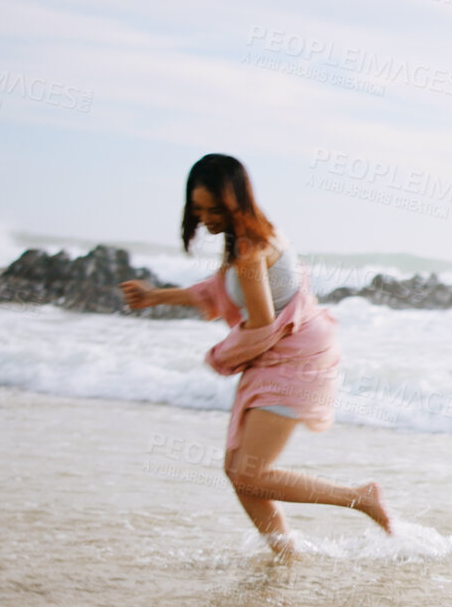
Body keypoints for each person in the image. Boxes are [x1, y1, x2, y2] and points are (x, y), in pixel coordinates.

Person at [122, 154, 391, 554]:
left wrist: (218, 357)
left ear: (235, 201)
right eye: (199, 209)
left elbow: (262, 325)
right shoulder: (247, 235)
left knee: (251, 473)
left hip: (295, 358)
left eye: (215, 209)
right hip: (281, 353)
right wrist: (155, 295)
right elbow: (221, 290)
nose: (207, 218)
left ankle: (359, 497)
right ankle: (285, 550)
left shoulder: (250, 249)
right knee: (238, 471)